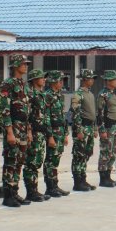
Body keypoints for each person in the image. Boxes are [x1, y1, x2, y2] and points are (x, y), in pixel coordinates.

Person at [0, 55, 32, 208]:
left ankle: (15, 191)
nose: (26, 66)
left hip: (23, 127)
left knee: (20, 161)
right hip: (13, 126)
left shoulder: (25, 85)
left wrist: (29, 130)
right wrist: (9, 132)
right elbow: (5, 110)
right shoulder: (8, 84)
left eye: (26, 64)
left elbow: (28, 110)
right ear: (16, 65)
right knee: (11, 161)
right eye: (23, 64)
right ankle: (8, 194)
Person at [21, 68, 50, 202]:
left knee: (38, 161)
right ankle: (30, 192)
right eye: (41, 77)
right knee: (31, 162)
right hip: (33, 132)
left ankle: (35, 189)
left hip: (41, 132)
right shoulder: (30, 95)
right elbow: (26, 115)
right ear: (34, 80)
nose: (44, 80)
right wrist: (28, 132)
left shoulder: (41, 94)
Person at [69, 68, 99, 192]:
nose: (92, 80)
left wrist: (95, 128)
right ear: (85, 80)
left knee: (86, 154)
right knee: (78, 155)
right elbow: (75, 113)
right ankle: (77, 182)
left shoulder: (90, 94)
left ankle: (83, 179)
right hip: (82, 128)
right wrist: (79, 130)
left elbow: (93, 113)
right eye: (90, 78)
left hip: (90, 128)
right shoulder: (78, 94)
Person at [43, 70, 70, 198]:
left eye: (62, 80)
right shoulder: (47, 95)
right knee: (50, 160)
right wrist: (50, 136)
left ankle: (55, 185)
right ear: (53, 81)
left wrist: (65, 133)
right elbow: (46, 117)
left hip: (60, 131)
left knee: (56, 159)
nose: (62, 82)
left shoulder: (59, 95)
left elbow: (62, 116)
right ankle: (50, 187)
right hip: (53, 132)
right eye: (60, 80)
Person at [97, 70, 116, 187]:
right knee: (105, 153)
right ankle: (103, 179)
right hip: (107, 128)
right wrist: (101, 130)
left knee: (113, 152)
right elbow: (99, 113)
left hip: (115, 127)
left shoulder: (113, 94)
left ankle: (108, 176)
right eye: (115, 79)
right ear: (109, 81)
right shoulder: (103, 94)